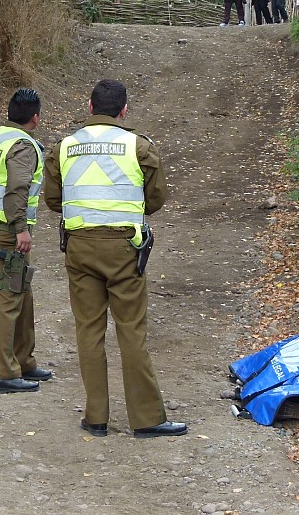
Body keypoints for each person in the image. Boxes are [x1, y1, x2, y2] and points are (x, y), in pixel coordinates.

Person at [43, 79, 187, 439]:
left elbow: (53, 200)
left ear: (90, 107)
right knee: (131, 332)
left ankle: (96, 418)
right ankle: (147, 419)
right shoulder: (138, 147)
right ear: (124, 110)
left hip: (78, 247)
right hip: (124, 250)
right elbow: (155, 199)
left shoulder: (63, 148)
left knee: (88, 331)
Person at [0, 88, 54, 394]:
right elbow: (17, 190)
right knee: (9, 298)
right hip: (8, 232)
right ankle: (4, 372)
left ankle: (24, 361)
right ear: (35, 117)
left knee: (23, 293)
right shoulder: (23, 146)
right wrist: (21, 228)